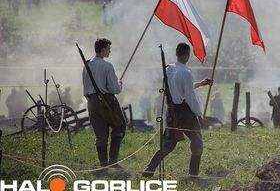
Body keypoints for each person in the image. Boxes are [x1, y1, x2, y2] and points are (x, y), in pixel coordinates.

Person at [142, 42, 212, 178]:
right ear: (187, 55)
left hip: (172, 110)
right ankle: (193, 175)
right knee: (197, 142)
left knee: (168, 144)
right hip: (184, 112)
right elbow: (190, 97)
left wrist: (201, 83)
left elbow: (180, 89)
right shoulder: (185, 73)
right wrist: (200, 115)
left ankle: (150, 168)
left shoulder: (170, 69)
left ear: (176, 53)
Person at [82, 38, 126, 169]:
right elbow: (114, 89)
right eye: (108, 48)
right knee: (119, 126)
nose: (110, 50)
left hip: (91, 102)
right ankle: (112, 160)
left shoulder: (87, 65)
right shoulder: (107, 66)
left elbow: (85, 87)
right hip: (106, 101)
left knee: (101, 136)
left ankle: (103, 165)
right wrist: (120, 84)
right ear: (102, 49)